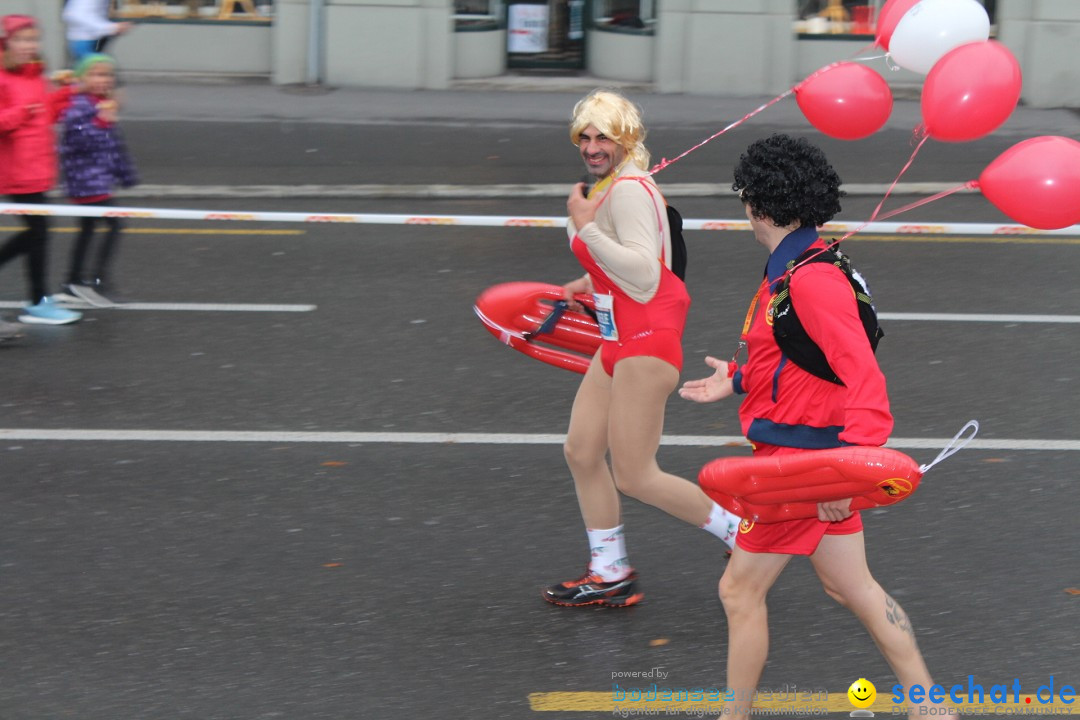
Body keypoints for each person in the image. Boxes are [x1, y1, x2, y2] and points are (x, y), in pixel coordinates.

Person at [679, 134, 955, 720]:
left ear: (759, 203)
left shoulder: (810, 279)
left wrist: (842, 479)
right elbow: (797, 356)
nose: (744, 209)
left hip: (798, 469)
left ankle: (735, 715)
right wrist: (737, 377)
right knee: (850, 588)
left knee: (739, 589)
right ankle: (932, 708)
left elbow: (864, 382)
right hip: (810, 459)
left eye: (745, 198)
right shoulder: (802, 263)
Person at [542, 89, 741, 608]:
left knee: (634, 473)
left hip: (646, 339)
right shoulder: (607, 187)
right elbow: (633, 259)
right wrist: (589, 281)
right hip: (619, 337)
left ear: (625, 137)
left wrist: (585, 229)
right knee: (582, 451)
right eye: (584, 136)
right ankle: (610, 571)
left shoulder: (629, 189)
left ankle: (744, 534)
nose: (591, 146)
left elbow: (646, 275)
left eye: (602, 135)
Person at [0, 15, 82, 326]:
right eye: (21, 40)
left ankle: (38, 301)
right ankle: (37, 302)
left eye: (33, 40)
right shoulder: (3, 77)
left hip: (38, 166)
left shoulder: (36, 75)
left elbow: (44, 115)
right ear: (8, 42)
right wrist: (19, 113)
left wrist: (65, 95)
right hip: (18, 170)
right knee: (39, 234)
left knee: (38, 234)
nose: (28, 46)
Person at [57, 53, 137, 307]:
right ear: (82, 78)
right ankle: (95, 280)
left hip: (98, 179)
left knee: (89, 229)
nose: (103, 80)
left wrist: (125, 173)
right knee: (114, 225)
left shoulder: (101, 103)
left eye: (107, 75)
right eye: (95, 74)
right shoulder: (80, 104)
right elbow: (79, 141)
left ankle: (74, 281)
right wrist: (102, 121)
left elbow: (114, 146)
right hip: (86, 180)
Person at [62, 0, 133, 65]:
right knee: (93, 72)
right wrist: (110, 27)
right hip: (83, 40)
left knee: (96, 71)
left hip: (94, 38)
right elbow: (75, 15)